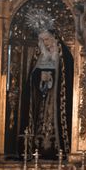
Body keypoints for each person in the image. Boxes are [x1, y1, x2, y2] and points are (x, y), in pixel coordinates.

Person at [20, 28, 73, 159]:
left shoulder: (64, 55)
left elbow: (69, 77)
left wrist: (53, 78)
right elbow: (31, 80)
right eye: (43, 40)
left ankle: (60, 151)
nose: (46, 43)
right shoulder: (40, 57)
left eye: (48, 39)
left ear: (55, 38)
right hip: (42, 101)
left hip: (58, 101)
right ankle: (37, 150)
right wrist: (39, 78)